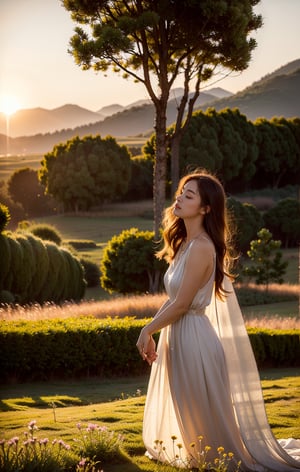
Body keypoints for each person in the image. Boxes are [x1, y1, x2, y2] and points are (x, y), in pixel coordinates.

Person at [136, 170, 300, 471]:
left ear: (205, 208)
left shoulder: (201, 247)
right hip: (178, 336)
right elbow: (172, 299)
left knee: (209, 435)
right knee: (192, 420)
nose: (180, 197)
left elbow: (183, 304)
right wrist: (152, 329)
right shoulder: (185, 243)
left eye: (189, 195)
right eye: (180, 192)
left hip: (194, 339)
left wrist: (147, 329)